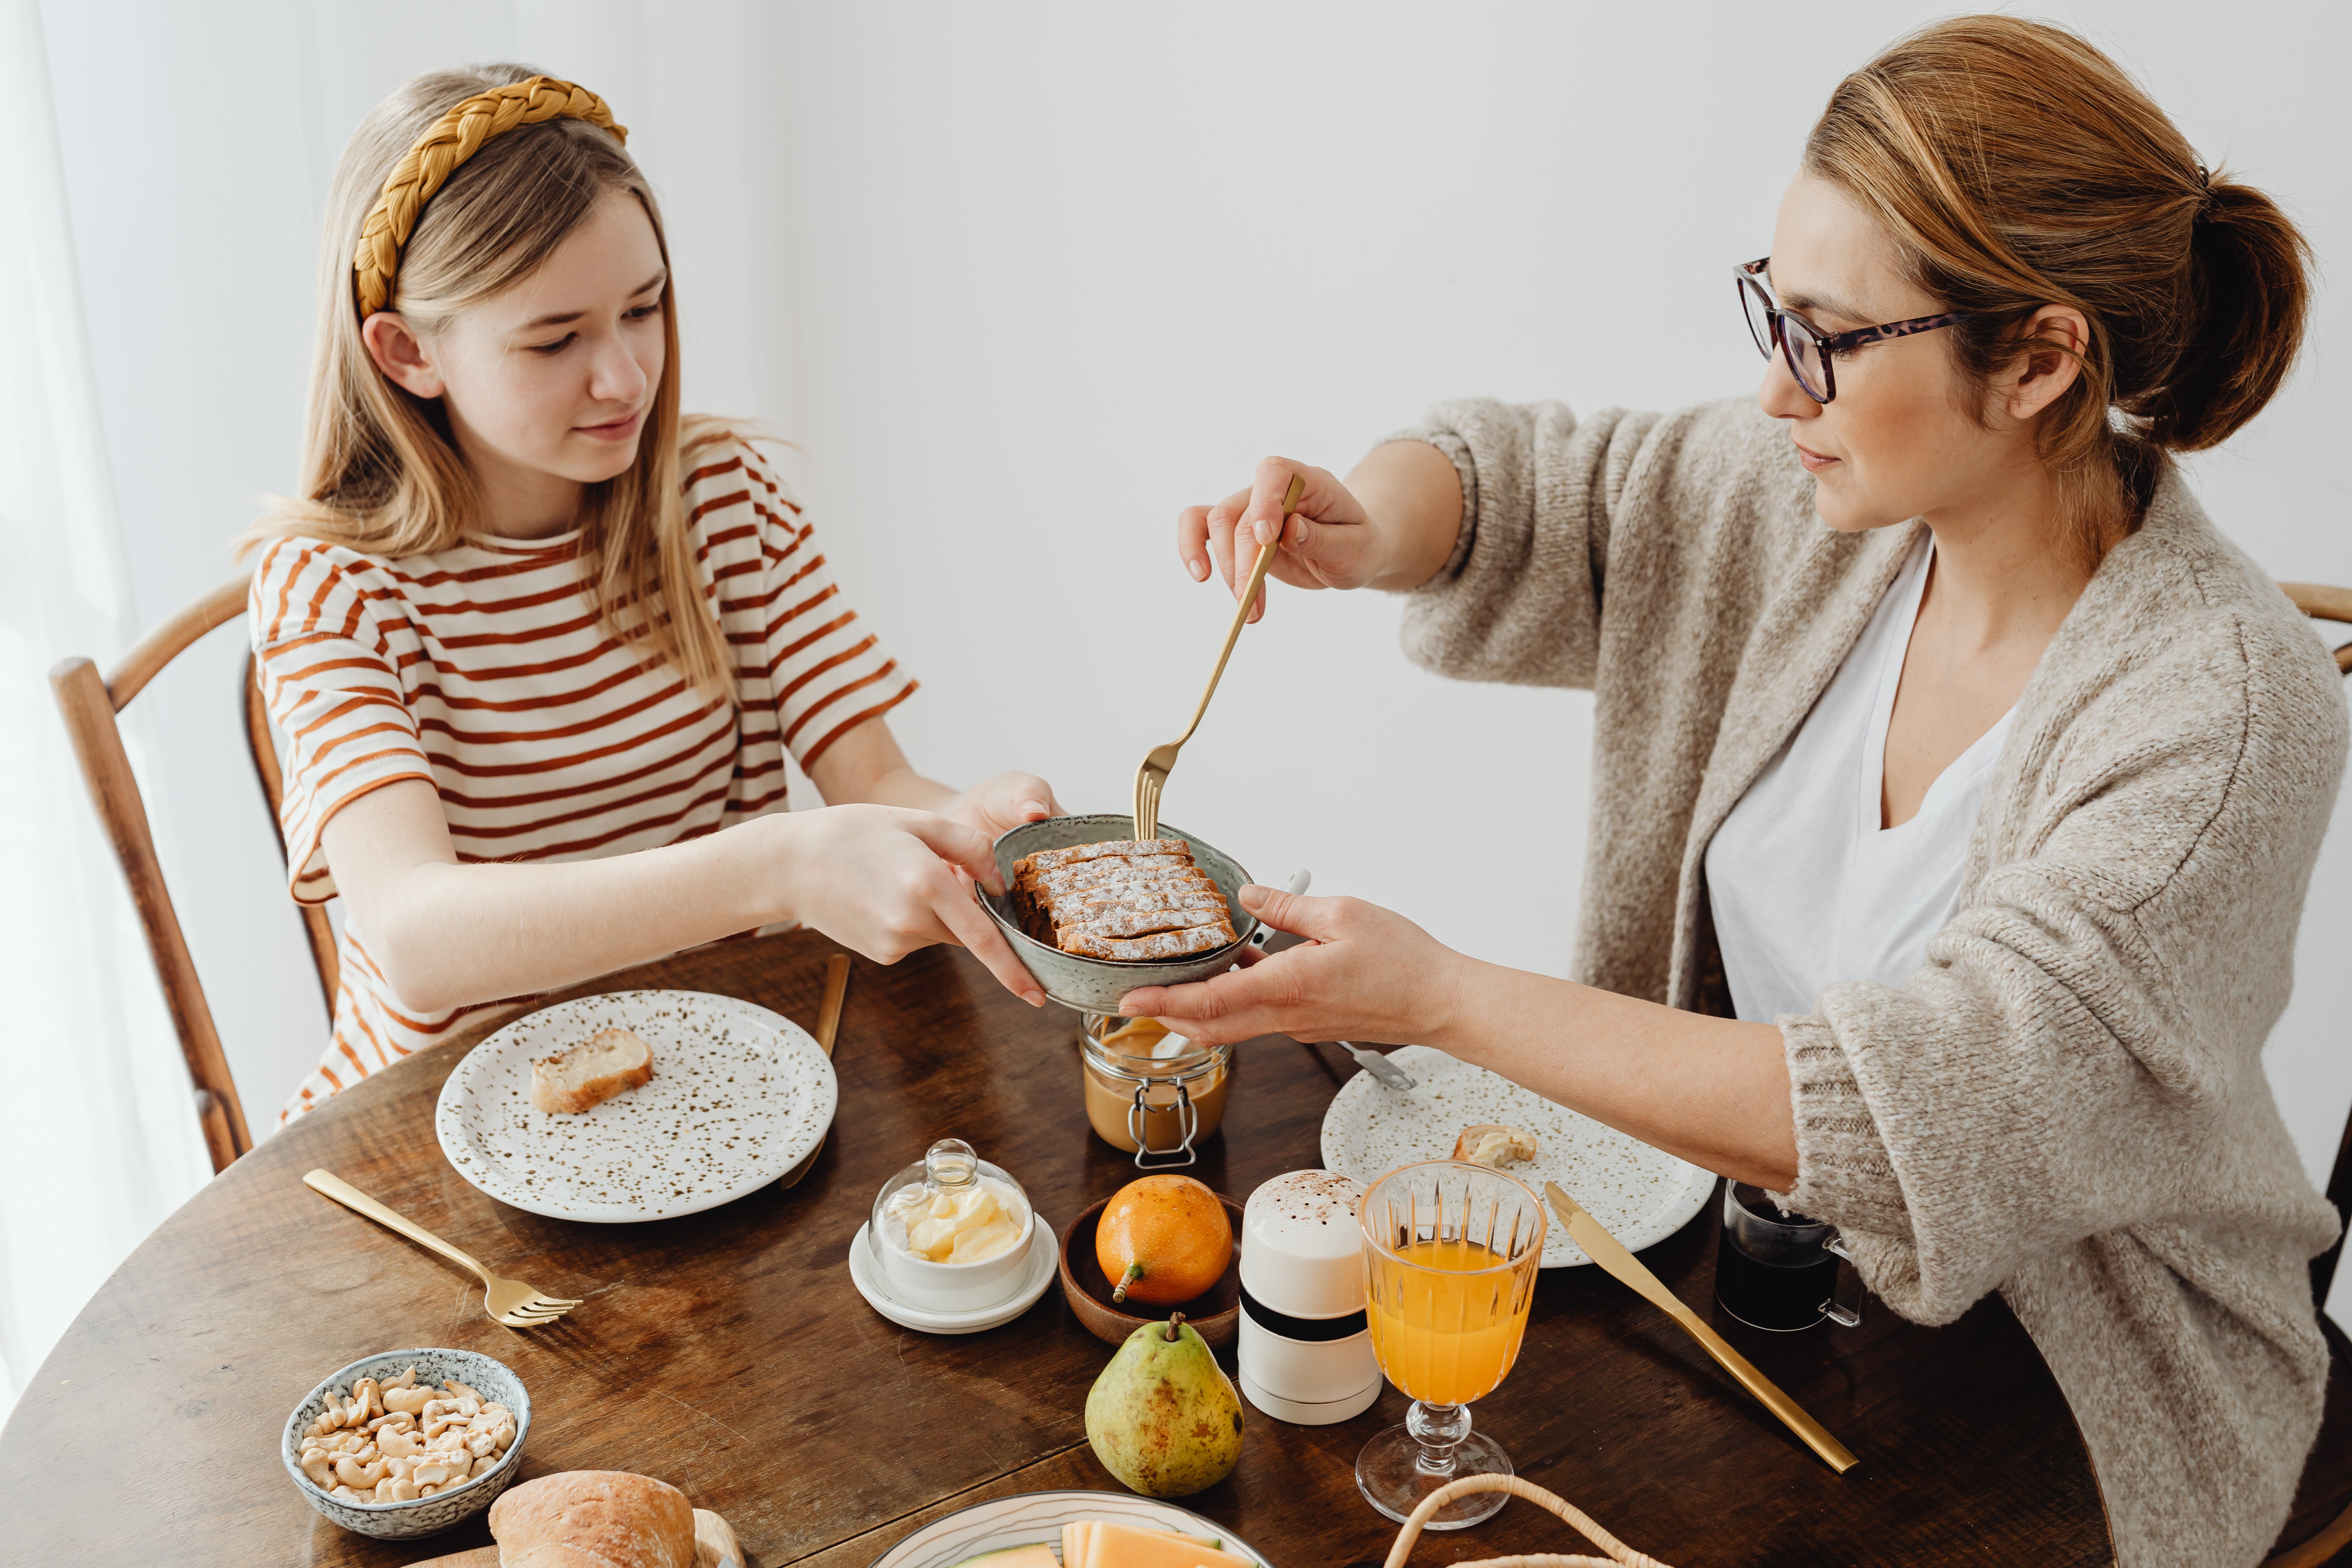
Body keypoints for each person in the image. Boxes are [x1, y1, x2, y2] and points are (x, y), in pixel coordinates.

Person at [1134, 18, 2342, 1568]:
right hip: (1729, 1272)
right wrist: (1370, 522)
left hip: (2058, 1386)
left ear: (2039, 360)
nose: (1778, 392)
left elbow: (1927, 1108)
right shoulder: (1821, 502)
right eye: (1775, 309)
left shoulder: (2225, 715)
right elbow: (1536, 480)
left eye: (1829, 338)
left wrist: (1436, 992)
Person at [244, 68, 1058, 1122]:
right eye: (555, 339)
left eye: (645, 308)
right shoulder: (330, 586)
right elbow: (415, 939)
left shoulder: (721, 497)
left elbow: (873, 780)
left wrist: (955, 825)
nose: (626, 377)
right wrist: (776, 869)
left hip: (707, 1087)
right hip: (440, 1126)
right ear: (408, 353)